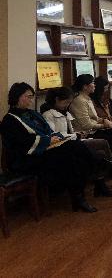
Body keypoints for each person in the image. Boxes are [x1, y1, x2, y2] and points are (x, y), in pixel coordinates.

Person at [0, 83, 99, 212]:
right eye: (28, 97)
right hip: (26, 159)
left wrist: (55, 137)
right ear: (17, 96)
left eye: (32, 97)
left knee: (75, 150)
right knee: (71, 155)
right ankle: (94, 175)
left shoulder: (32, 114)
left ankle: (80, 196)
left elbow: (48, 131)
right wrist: (48, 140)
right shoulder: (9, 120)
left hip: (45, 151)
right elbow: (22, 144)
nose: (31, 101)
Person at [41, 86, 112, 189]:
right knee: (99, 151)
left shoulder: (65, 112)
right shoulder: (48, 115)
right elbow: (54, 135)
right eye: (66, 102)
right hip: (64, 144)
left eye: (69, 103)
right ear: (57, 100)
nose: (67, 105)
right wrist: (75, 135)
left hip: (74, 139)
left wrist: (77, 134)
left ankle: (110, 172)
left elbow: (70, 130)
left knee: (105, 141)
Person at [70, 74, 112, 172]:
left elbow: (95, 118)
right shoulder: (79, 101)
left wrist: (103, 120)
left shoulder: (87, 98)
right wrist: (103, 125)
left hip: (94, 129)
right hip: (87, 133)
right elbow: (86, 125)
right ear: (85, 86)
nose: (94, 85)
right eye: (92, 83)